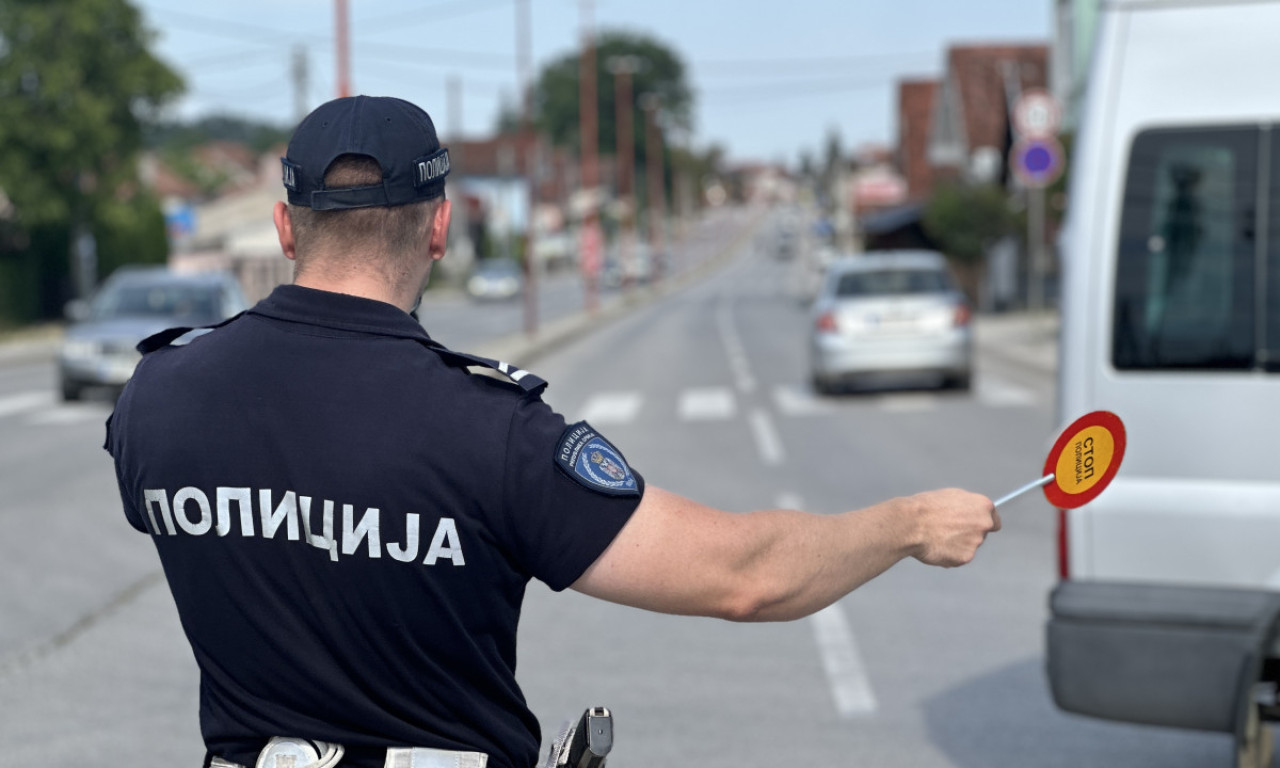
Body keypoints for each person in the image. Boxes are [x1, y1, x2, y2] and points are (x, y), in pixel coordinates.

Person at [105, 95, 1000, 768]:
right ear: (442, 227)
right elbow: (746, 579)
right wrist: (910, 524)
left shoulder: (159, 396)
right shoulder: (487, 430)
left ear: (284, 227)